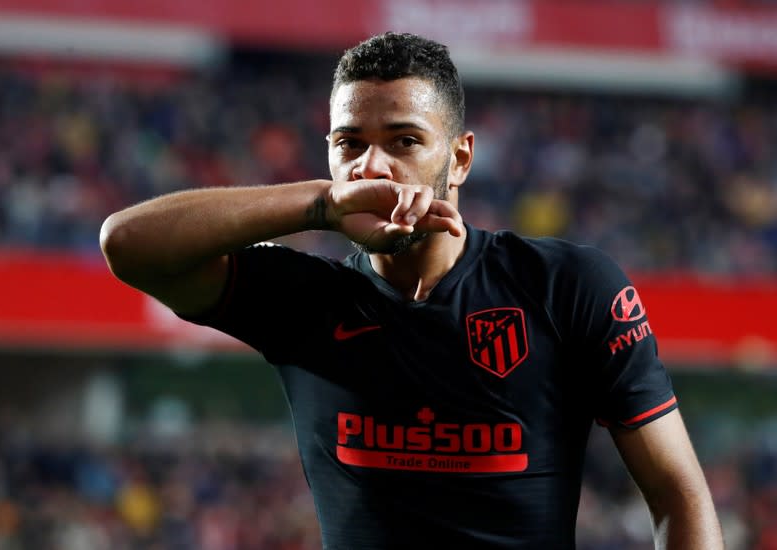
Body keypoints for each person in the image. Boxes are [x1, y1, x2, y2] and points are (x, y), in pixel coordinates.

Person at [100, 32, 724, 549]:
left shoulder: (565, 287)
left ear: (459, 159)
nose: (372, 167)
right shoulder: (306, 299)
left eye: (403, 141)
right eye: (350, 144)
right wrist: (319, 203)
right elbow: (127, 244)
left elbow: (679, 495)